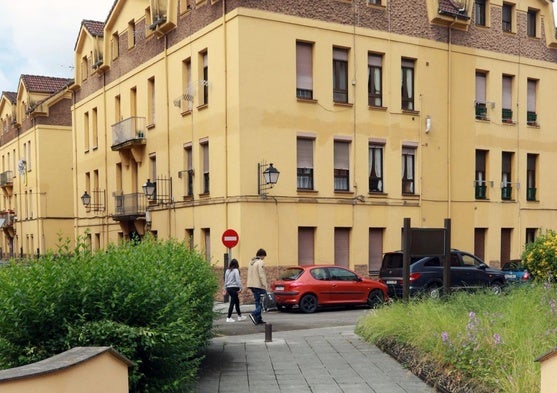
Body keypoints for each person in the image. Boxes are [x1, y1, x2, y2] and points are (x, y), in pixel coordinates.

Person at [247, 248, 268, 325]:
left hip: (252, 285)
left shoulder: (251, 262)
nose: (264, 258)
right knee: (263, 303)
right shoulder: (260, 262)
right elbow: (261, 275)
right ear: (261, 255)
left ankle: (258, 319)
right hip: (258, 285)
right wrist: (265, 284)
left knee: (257, 302)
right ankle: (253, 313)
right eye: (264, 256)